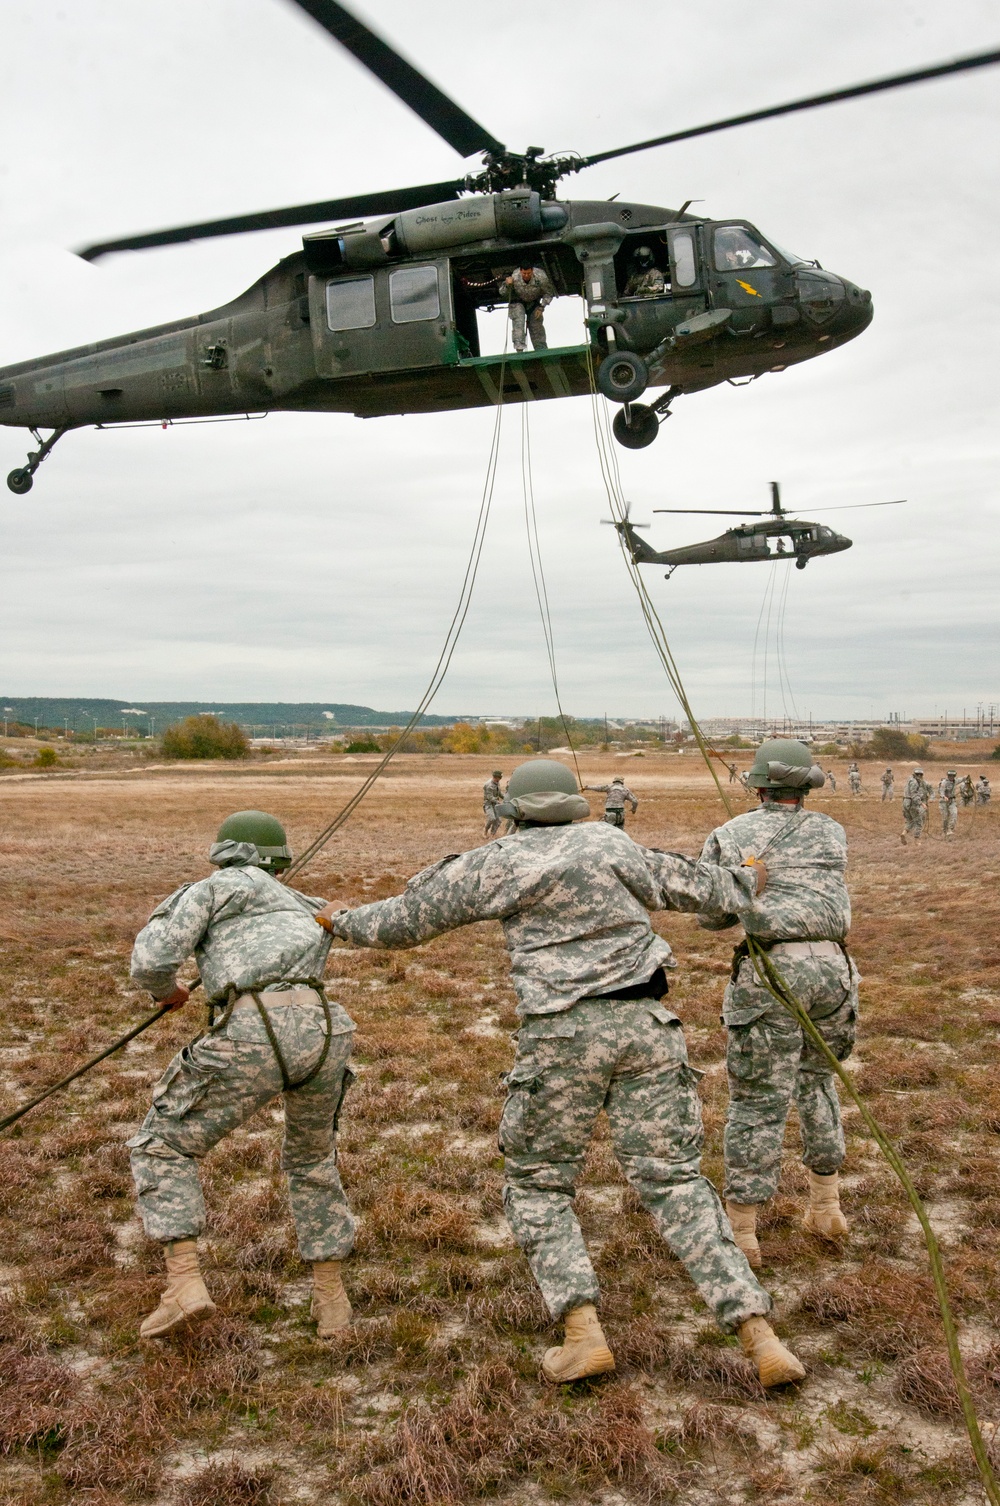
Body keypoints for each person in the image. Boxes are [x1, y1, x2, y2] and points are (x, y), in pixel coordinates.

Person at [317, 759, 804, 1389]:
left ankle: (582, 1334)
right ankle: (759, 1336)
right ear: (576, 802)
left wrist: (339, 919)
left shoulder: (496, 861)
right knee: (676, 1182)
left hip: (561, 1036)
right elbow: (704, 888)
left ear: (512, 810)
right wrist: (750, 875)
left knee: (540, 1185)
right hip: (647, 1029)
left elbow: (405, 921)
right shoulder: (611, 840)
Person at [127, 811, 356, 1342]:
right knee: (312, 1160)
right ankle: (332, 1305)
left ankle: (183, 1285)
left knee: (161, 1145)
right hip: (324, 1029)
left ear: (223, 853)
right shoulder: (304, 902)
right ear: (281, 858)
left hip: (251, 1029)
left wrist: (167, 992)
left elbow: (151, 958)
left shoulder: (212, 889)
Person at [696, 741, 857, 1269]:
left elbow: (712, 915)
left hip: (773, 971)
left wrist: (744, 874)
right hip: (835, 971)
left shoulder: (732, 833)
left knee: (757, 1100)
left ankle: (743, 1234)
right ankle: (826, 1207)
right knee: (818, 1082)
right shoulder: (832, 830)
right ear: (805, 786)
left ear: (758, 785)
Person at [503, 265, 555, 352]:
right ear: (520, 271)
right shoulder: (514, 276)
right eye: (524, 273)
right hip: (518, 302)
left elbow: (549, 293)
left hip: (533, 302)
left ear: (532, 271)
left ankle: (541, 350)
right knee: (519, 321)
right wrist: (508, 285)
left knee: (536, 325)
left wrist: (541, 307)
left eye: (528, 273)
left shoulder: (540, 276)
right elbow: (502, 292)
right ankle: (519, 350)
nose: (526, 275)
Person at [901, 767, 932, 844]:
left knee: (909, 820)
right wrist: (922, 804)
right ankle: (916, 841)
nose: (919, 776)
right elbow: (914, 795)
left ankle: (903, 833)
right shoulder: (915, 783)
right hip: (912, 804)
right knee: (919, 823)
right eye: (919, 775)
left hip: (905, 802)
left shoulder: (909, 779)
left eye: (920, 774)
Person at [483, 769, 505, 838]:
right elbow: (490, 797)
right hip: (488, 804)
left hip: (495, 804)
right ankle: (485, 831)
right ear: (496, 777)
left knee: (498, 820)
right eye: (499, 777)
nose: (500, 779)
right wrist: (498, 802)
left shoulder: (497, 783)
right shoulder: (489, 785)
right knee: (491, 818)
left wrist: (505, 797)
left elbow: (499, 793)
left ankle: (492, 834)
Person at [938, 769, 959, 837]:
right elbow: (941, 791)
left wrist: (966, 777)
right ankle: (944, 831)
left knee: (954, 814)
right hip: (944, 802)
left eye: (952, 776)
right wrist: (944, 797)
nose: (951, 777)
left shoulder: (955, 781)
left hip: (952, 801)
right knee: (945, 818)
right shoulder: (944, 782)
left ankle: (950, 829)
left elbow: (961, 779)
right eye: (950, 776)